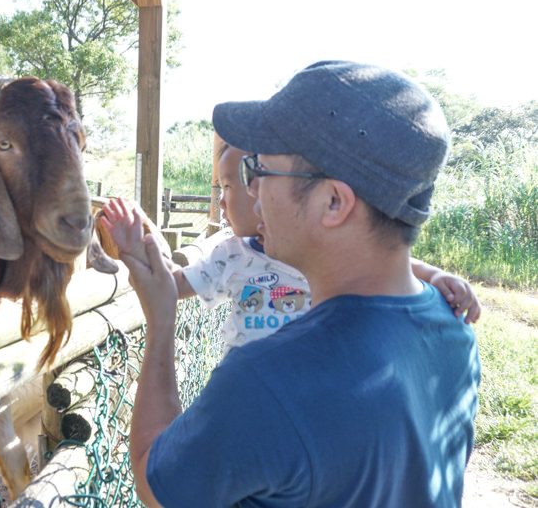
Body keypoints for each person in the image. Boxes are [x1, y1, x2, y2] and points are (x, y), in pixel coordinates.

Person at [115, 61, 482, 507]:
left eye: (261, 170)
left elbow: (157, 489)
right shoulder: (454, 333)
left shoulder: (267, 378)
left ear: (332, 202)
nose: (252, 191)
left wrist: (161, 322)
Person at [100, 144, 480, 354]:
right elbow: (171, 284)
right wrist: (139, 246)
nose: (223, 201)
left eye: (232, 187)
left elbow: (391, 263)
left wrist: (439, 276)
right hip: (249, 389)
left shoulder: (318, 250)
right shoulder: (232, 255)